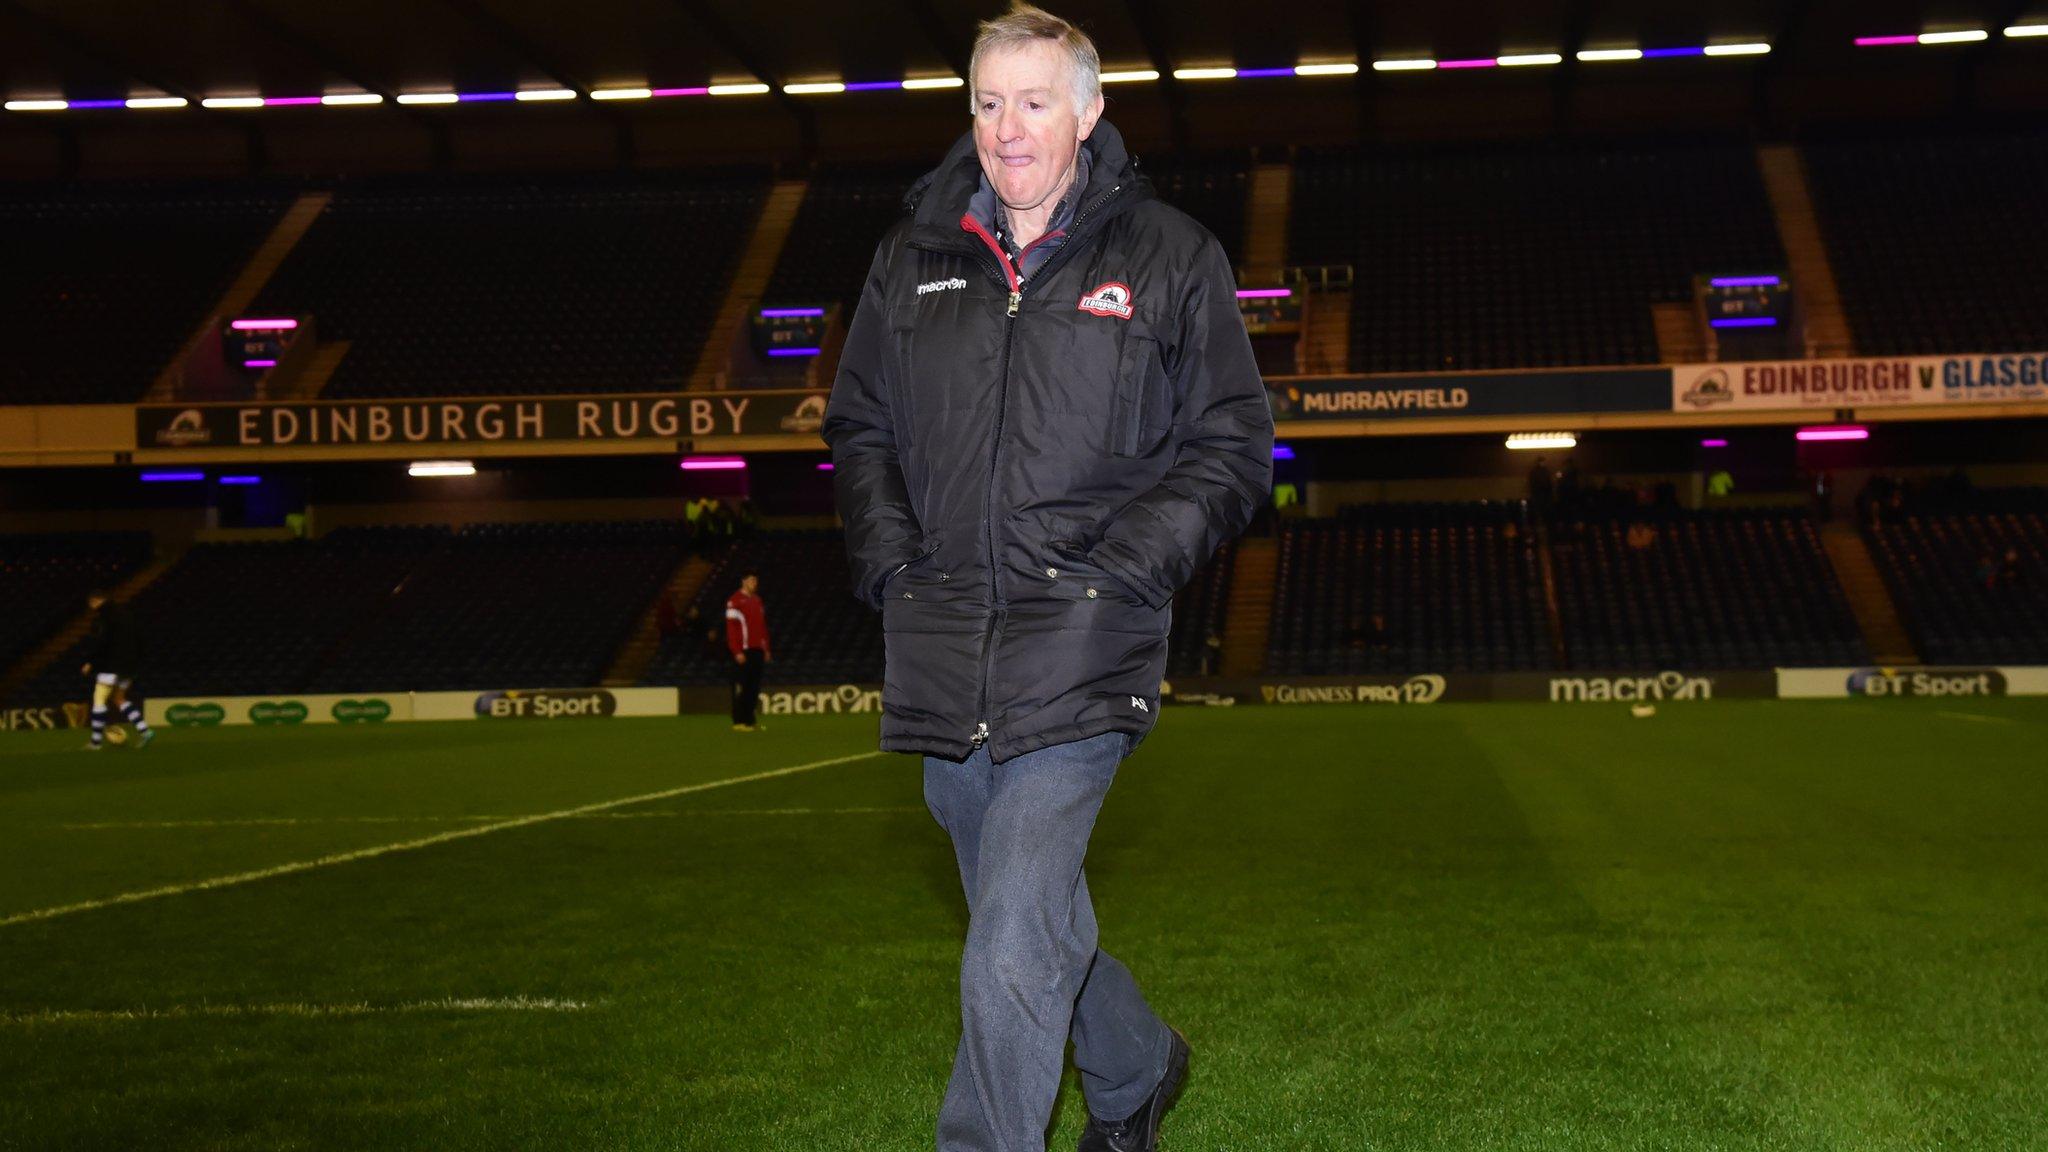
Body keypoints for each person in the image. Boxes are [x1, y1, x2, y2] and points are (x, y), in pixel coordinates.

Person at [821, 5, 1272, 1149]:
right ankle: (1133, 1067)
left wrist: (1120, 572)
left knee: (1015, 927)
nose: (1005, 129)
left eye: (1031, 102)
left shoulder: (1167, 254)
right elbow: (859, 423)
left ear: (1087, 112)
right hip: (939, 646)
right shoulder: (909, 256)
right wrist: (888, 562)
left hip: (1080, 642)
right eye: (985, 102)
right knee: (1019, 912)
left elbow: (1231, 443)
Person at [79, 591, 155, 751]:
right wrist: (138, 662)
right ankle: (145, 731)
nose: (91, 606)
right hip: (129, 666)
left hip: (110, 666)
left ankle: (95, 742)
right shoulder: (128, 615)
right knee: (119, 699)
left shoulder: (104, 618)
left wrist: (90, 662)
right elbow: (141, 639)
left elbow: (102, 642)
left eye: (91, 603)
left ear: (96, 601)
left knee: (99, 700)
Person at [724, 572, 770, 731]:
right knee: (741, 686)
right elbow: (731, 629)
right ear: (743, 581)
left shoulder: (757, 600)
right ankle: (738, 721)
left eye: (756, 580)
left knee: (754, 687)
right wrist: (736, 651)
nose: (754, 583)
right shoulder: (734, 600)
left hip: (757, 650)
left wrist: (766, 648)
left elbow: (762, 627)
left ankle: (750, 720)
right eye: (751, 580)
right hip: (743, 650)